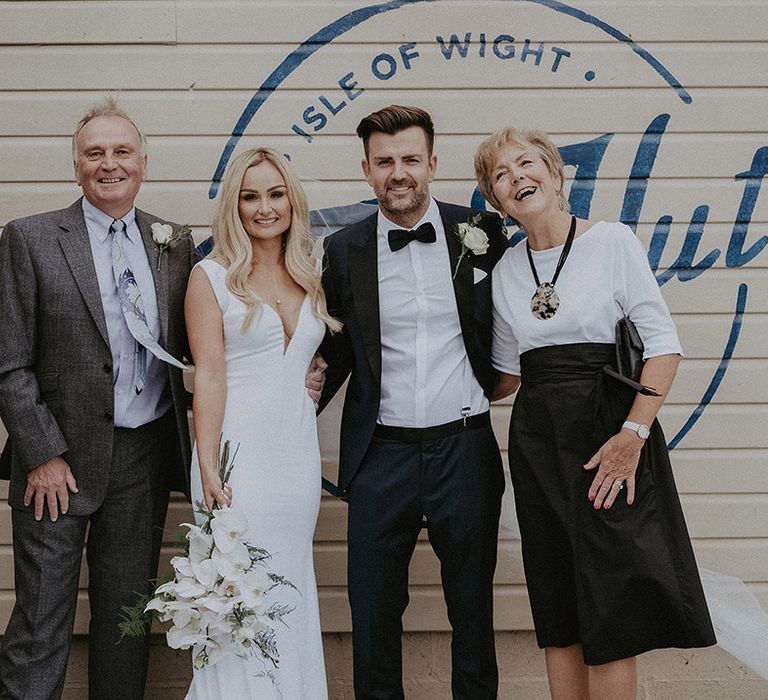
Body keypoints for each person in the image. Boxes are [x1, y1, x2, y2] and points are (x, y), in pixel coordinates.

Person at [473, 126, 716, 700]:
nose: (517, 179)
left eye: (527, 164)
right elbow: (505, 376)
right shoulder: (505, 272)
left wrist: (633, 433)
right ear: (496, 201)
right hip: (538, 443)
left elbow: (662, 347)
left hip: (611, 438)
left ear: (556, 175)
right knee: (556, 601)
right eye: (501, 176)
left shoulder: (612, 242)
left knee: (609, 609)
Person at [0, 98, 195, 699]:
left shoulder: (174, 242)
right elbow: (9, 362)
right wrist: (42, 453)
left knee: (125, 624)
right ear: (76, 165)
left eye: (122, 152)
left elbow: (200, 345)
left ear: (143, 162)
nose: (109, 165)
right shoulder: (29, 239)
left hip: (142, 458)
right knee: (40, 623)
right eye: (95, 154)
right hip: (57, 465)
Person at [318, 105, 508, 699]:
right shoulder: (344, 249)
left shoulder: (482, 234)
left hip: (466, 447)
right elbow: (333, 348)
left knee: (473, 611)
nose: (397, 172)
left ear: (431, 163)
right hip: (382, 456)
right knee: (373, 613)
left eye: (408, 159)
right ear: (366, 170)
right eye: (384, 162)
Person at [184, 147, 339, 698]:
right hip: (237, 459)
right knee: (237, 597)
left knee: (288, 587)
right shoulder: (211, 277)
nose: (264, 207)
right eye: (250, 196)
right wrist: (207, 464)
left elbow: (311, 356)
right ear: (234, 205)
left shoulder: (311, 275)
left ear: (292, 202)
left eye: (275, 194)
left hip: (296, 460)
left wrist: (311, 367)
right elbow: (209, 376)